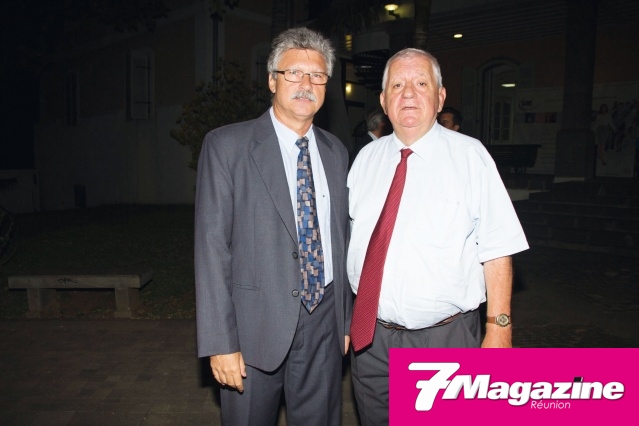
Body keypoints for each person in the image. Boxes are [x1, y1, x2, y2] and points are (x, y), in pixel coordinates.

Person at [347, 48, 529, 425]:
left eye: (420, 83)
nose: (408, 93)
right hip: (371, 340)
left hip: (444, 339)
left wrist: (499, 327)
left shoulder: (470, 157)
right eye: (397, 85)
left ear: (440, 96)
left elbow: (497, 246)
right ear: (383, 99)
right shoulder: (366, 160)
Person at [194, 27, 352, 426]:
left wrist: (345, 320)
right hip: (253, 327)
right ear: (272, 80)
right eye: (293, 73)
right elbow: (211, 248)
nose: (306, 84)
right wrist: (220, 342)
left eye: (317, 76)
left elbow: (342, 239)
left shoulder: (336, 152)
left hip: (324, 322)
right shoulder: (227, 146)